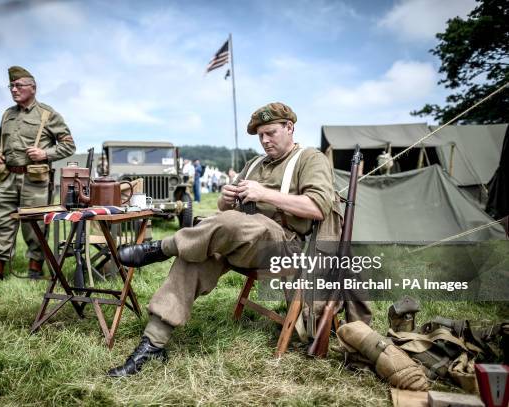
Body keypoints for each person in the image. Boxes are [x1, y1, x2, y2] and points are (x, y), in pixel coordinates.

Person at [107, 102, 370, 377]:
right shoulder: (254, 164)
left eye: (270, 133)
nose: (265, 141)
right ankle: (153, 344)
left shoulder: (309, 159)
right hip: (242, 239)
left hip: (286, 245)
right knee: (194, 255)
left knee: (234, 224)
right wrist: (226, 197)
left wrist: (263, 194)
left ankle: (162, 248)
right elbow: (224, 211)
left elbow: (316, 207)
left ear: (289, 127)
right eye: (260, 136)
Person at [0, 66, 76, 282]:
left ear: (33, 88)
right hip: (6, 177)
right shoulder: (7, 114)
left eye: (18, 85)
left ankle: (35, 269)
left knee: (35, 224)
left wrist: (45, 153)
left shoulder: (48, 115)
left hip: (35, 180)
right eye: (11, 86)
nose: (14, 89)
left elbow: (69, 146)